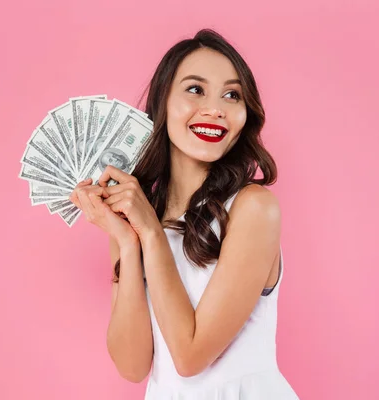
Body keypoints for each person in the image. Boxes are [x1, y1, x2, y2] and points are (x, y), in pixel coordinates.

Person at [69, 28, 299, 399]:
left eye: (232, 94)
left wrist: (151, 234)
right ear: (162, 102)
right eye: (195, 89)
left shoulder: (253, 207)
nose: (215, 108)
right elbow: (133, 366)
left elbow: (190, 357)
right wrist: (128, 241)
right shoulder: (137, 221)